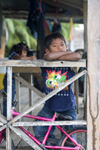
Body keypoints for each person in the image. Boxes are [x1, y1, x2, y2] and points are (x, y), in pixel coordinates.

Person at [33, 32, 81, 141]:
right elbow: (49, 57)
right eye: (55, 46)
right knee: (40, 129)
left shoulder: (69, 62)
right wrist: (63, 54)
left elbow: (77, 55)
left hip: (68, 105)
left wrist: (60, 55)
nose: (60, 48)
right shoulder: (47, 59)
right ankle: (51, 144)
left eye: (62, 44)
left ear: (66, 46)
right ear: (47, 50)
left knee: (71, 135)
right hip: (50, 104)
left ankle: (70, 146)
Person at [3, 42, 36, 117]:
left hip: (12, 79)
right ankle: (6, 117)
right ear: (18, 50)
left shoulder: (15, 55)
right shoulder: (14, 55)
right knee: (8, 99)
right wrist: (31, 57)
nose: (25, 54)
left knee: (11, 99)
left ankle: (10, 114)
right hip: (9, 79)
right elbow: (21, 58)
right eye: (24, 52)